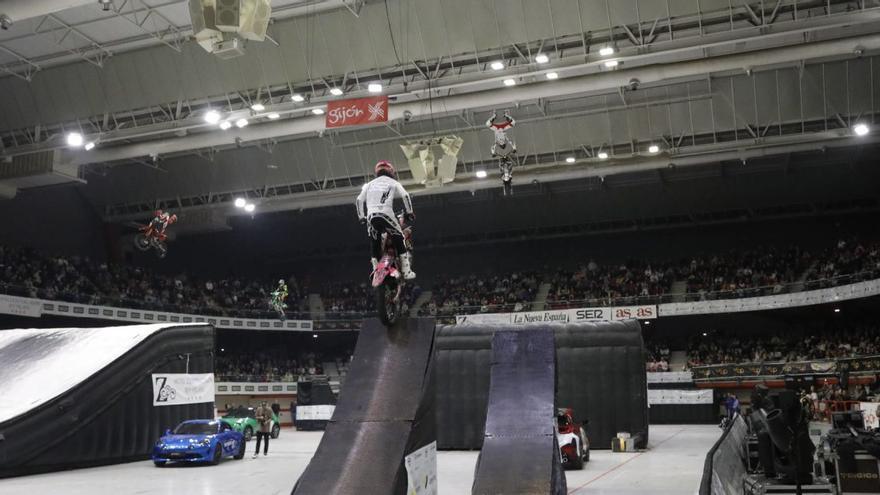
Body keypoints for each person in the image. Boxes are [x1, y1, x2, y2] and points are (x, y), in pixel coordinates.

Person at [355, 160, 416, 279]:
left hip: (371, 216)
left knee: (374, 242)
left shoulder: (369, 184)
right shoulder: (393, 182)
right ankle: (407, 271)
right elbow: (405, 196)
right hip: (386, 214)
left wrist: (361, 217)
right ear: (391, 171)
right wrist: (409, 212)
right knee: (399, 238)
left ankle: (375, 270)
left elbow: (358, 200)